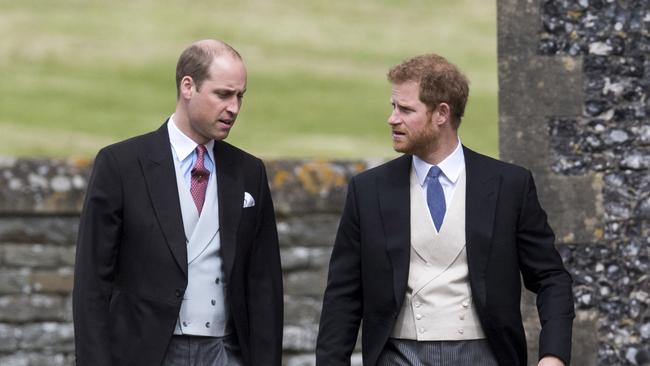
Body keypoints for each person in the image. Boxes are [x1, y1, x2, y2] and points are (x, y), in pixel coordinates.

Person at [316, 54, 574, 366]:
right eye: (393, 107)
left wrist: (553, 356)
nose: (392, 118)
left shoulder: (509, 185)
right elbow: (343, 295)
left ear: (441, 114)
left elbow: (551, 278)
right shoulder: (368, 190)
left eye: (406, 109)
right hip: (396, 356)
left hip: (487, 356)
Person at [73, 39, 283, 366]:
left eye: (240, 96)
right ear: (188, 86)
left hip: (225, 354)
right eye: (223, 94)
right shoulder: (122, 164)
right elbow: (91, 284)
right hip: (144, 353)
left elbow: (264, 287)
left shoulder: (249, 171)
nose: (234, 108)